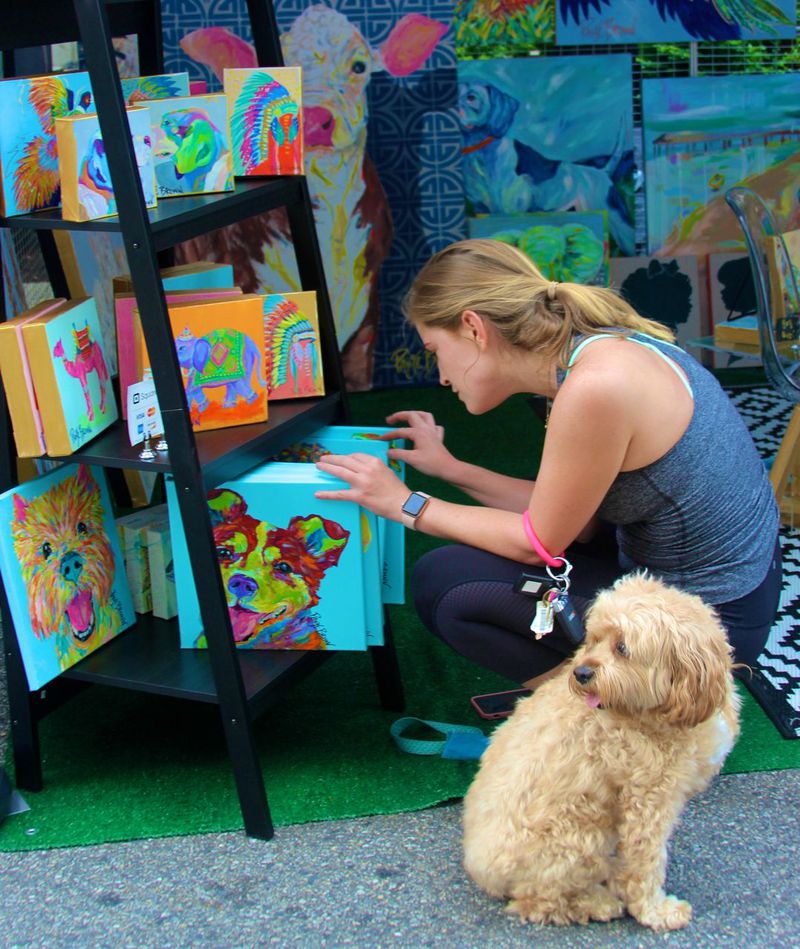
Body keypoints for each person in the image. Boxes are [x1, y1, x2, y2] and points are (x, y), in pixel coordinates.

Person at [315, 239, 782, 690]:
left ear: (474, 328)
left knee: (445, 584)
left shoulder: (595, 387)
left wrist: (403, 503)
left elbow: (535, 541)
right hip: (716, 585)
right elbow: (575, 520)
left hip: (705, 629)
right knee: (493, 557)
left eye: (436, 351)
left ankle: (612, 718)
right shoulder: (596, 350)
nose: (440, 376)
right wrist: (450, 468)